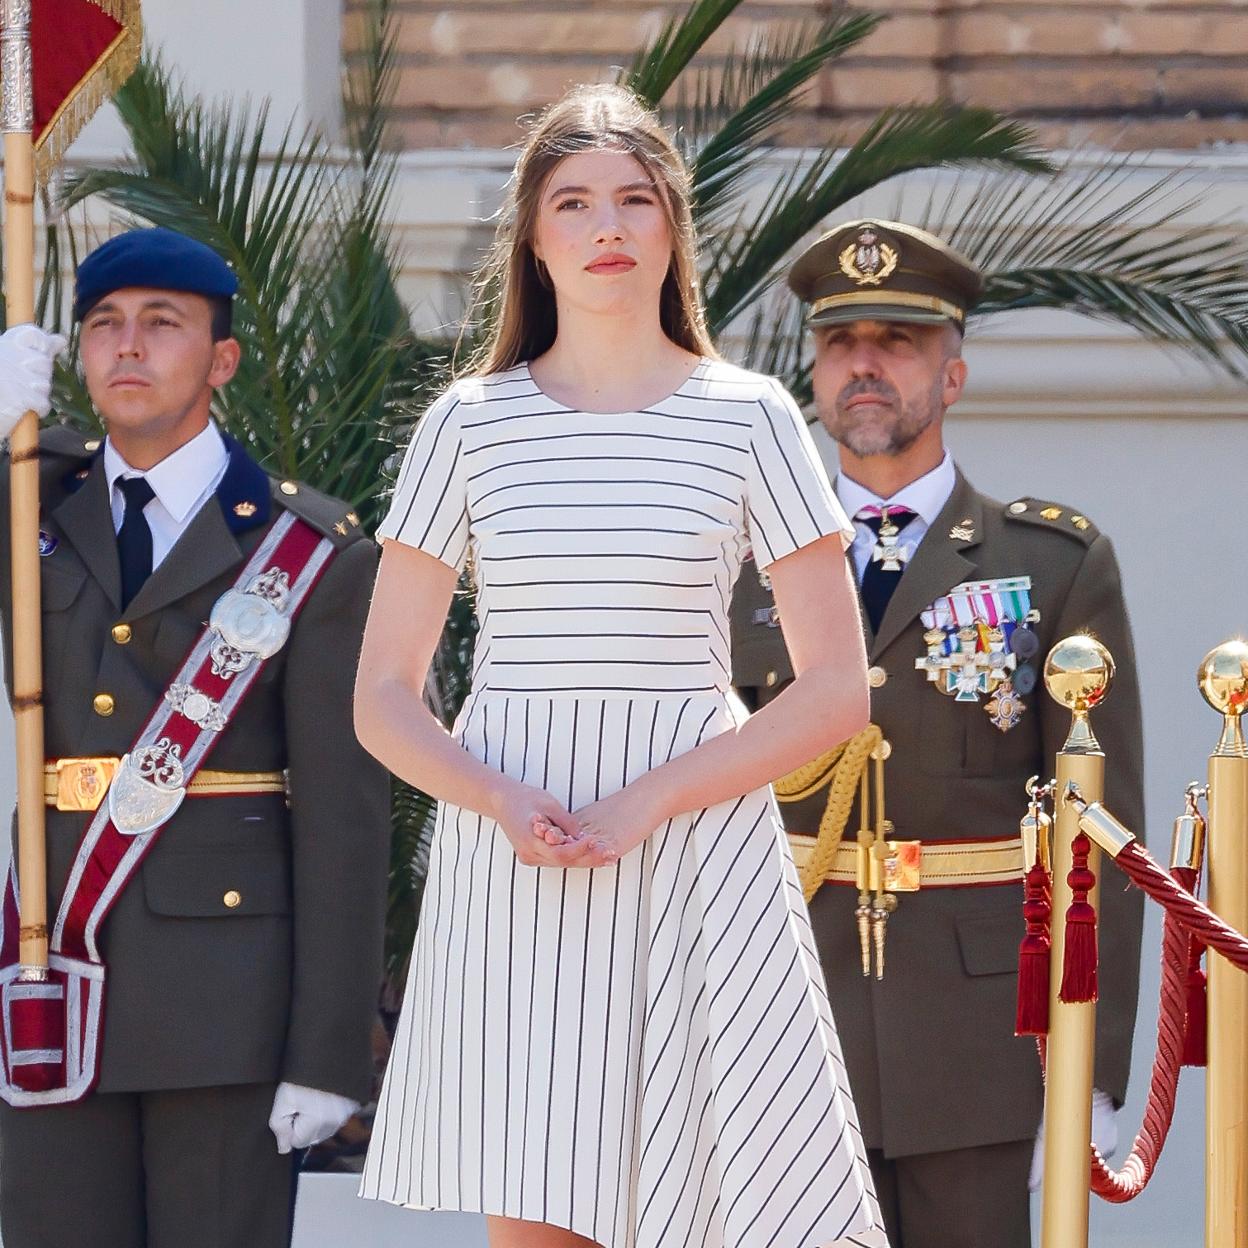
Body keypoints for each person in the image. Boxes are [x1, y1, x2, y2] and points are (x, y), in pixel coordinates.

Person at [354, 85, 889, 1248]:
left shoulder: (750, 418)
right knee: (540, 1214)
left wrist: (651, 797)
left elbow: (836, 687)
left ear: (672, 229)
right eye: (576, 202)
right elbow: (383, 698)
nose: (609, 225)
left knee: (733, 1210)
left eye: (636, 200)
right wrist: (496, 797)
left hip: (699, 843)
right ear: (534, 239)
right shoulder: (465, 424)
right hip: (519, 859)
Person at [730, 219, 1145, 1248]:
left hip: (980, 1035)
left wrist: (1091, 1058)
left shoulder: (1052, 565)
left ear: (952, 373)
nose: (863, 366)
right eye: (839, 345)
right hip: (783, 1014)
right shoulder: (735, 567)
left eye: (897, 342)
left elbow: (1101, 830)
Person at [0, 227, 390, 1247]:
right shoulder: (28, 500)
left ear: (222, 360)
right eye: (103, 326)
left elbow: (345, 823)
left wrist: (328, 1049)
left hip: (228, 1013)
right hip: (50, 991)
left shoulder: (307, 552)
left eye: (161, 325)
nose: (127, 347)